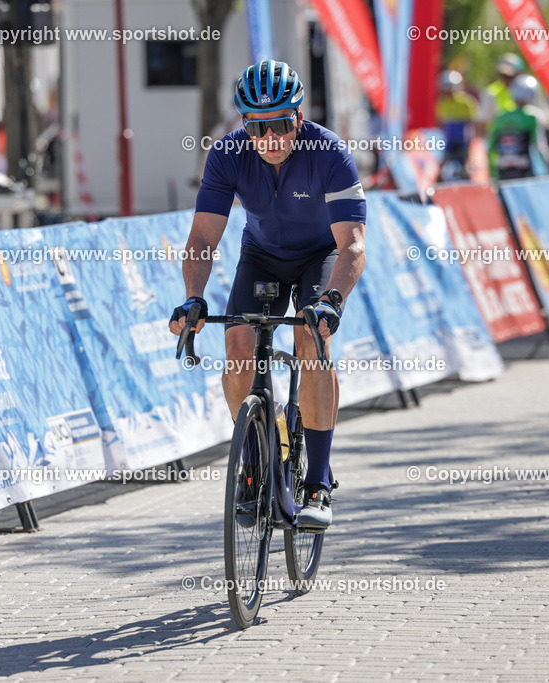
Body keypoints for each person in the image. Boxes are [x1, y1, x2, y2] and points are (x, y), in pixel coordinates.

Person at [168, 60, 367, 530]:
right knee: (237, 349)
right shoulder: (226, 155)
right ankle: (258, 463)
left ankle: (317, 481)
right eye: (257, 128)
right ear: (244, 125)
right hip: (261, 257)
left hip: (319, 257)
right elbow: (201, 241)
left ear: (298, 118)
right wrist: (194, 297)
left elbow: (353, 245)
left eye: (279, 124)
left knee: (311, 344)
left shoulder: (329, 153)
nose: (269, 138)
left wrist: (332, 302)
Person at [488, 75, 549, 180]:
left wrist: (492, 172)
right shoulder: (532, 117)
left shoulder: (500, 117)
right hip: (526, 174)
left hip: (502, 173)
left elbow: (491, 148)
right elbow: (539, 146)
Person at [436, 70, 478, 180]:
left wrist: (471, 147)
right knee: (443, 170)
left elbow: (472, 126)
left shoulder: (466, 102)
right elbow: (442, 126)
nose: (448, 93)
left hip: (463, 143)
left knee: (465, 171)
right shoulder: (441, 103)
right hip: (448, 144)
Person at [475, 53, 524, 138]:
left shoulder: (526, 91)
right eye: (503, 75)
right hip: (498, 145)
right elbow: (481, 123)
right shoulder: (491, 92)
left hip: (523, 144)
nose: (505, 80)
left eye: (510, 76)